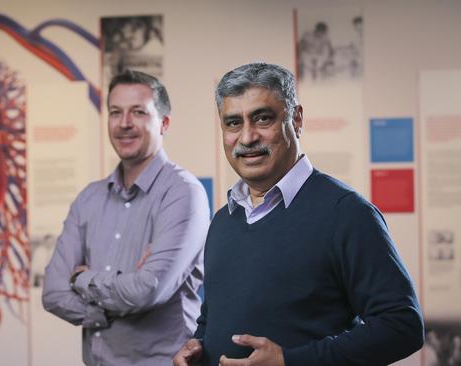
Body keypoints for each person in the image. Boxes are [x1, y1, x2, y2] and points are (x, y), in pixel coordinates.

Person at [173, 62, 424, 366]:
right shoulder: (223, 221)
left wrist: (290, 361)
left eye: (262, 119)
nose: (248, 137)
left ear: (297, 119)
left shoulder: (346, 213)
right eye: (233, 123)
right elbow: (213, 316)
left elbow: (402, 325)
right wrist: (199, 345)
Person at [43, 70, 210, 366]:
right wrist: (106, 309)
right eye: (115, 112)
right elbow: (54, 292)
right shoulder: (88, 199)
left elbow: (147, 290)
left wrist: (81, 278)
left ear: (164, 123)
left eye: (138, 112)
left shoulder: (183, 193)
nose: (124, 124)